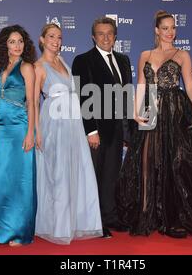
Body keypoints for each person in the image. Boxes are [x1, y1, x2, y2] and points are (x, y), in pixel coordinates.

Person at [117, 11, 192, 238]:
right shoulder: (145, 54)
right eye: (166, 28)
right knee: (146, 161)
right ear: (156, 31)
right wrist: (134, 111)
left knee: (173, 162)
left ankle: (172, 216)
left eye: (173, 28)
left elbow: (189, 86)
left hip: (173, 109)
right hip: (150, 106)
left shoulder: (182, 55)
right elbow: (141, 84)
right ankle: (146, 213)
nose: (170, 32)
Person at [33, 23, 103, 244]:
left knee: (77, 172)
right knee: (58, 175)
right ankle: (57, 226)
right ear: (42, 39)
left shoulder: (63, 62)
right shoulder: (38, 66)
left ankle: (76, 223)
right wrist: (37, 131)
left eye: (60, 37)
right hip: (54, 124)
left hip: (73, 123)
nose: (56, 41)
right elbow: (34, 102)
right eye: (51, 36)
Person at [72, 17, 134, 238]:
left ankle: (110, 216)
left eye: (110, 33)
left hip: (117, 129)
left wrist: (130, 128)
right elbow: (82, 97)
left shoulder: (123, 60)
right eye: (101, 33)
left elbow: (127, 95)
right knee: (95, 176)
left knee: (111, 175)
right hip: (96, 131)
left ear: (115, 36)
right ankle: (95, 221)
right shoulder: (83, 60)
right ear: (93, 37)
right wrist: (91, 131)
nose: (106, 37)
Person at [0, 25, 37, 247]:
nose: (17, 45)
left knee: (19, 183)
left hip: (19, 129)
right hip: (1, 130)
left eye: (21, 41)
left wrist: (30, 132)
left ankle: (18, 232)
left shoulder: (27, 68)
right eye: (13, 41)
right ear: (5, 43)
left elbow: (32, 102)